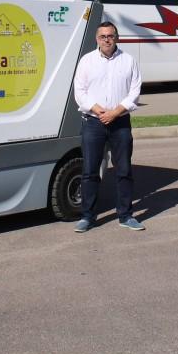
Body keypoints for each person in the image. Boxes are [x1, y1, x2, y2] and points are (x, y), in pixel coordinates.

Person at [72, 21, 144, 233]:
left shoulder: (128, 61)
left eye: (110, 36)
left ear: (117, 37)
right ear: (97, 39)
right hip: (93, 122)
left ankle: (126, 215)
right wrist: (97, 110)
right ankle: (87, 217)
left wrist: (115, 112)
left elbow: (135, 92)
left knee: (124, 170)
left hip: (120, 122)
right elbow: (80, 91)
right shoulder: (87, 61)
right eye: (103, 36)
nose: (107, 40)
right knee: (90, 171)